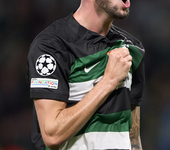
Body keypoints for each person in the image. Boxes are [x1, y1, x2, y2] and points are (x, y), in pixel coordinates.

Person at [27, 0, 145, 149]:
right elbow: (52, 135)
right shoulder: (52, 46)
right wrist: (109, 81)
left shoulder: (132, 48)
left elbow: (133, 138)